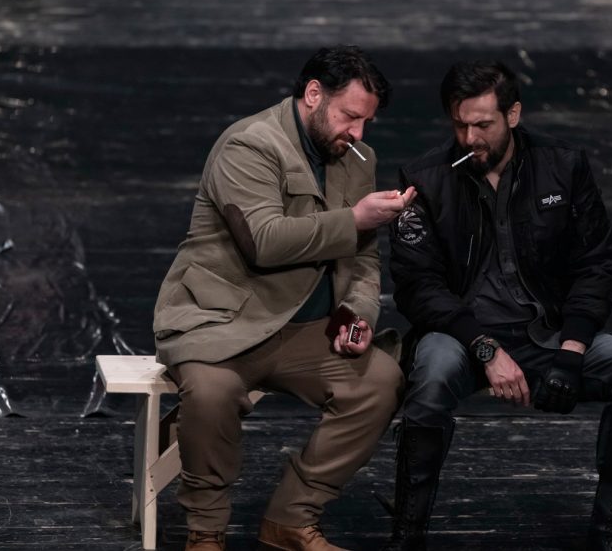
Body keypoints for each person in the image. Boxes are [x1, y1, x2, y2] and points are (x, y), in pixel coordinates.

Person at [385, 60, 612, 551]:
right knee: (431, 376)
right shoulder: (424, 180)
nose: (470, 138)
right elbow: (416, 286)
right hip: (462, 336)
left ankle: (607, 532)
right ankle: (407, 535)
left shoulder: (564, 166)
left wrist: (573, 350)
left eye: (483, 125)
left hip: (548, 332)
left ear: (513, 114)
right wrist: (486, 348)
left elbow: (597, 264)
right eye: (459, 125)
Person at [152, 46, 415, 551]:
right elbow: (264, 241)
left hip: (303, 328)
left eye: (367, 122)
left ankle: (291, 518)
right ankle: (205, 531)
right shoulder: (249, 145)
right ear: (314, 94)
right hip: (222, 323)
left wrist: (357, 312)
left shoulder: (357, 158)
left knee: (379, 383)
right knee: (210, 394)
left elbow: (363, 257)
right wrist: (354, 219)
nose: (358, 133)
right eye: (350, 116)